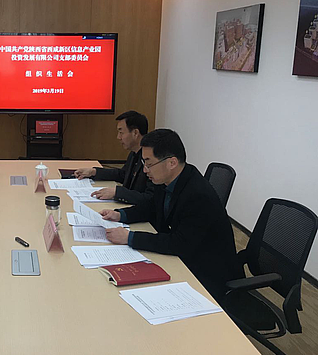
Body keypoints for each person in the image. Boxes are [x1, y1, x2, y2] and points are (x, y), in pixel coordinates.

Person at [99, 129, 242, 302]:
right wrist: (119, 215)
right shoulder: (168, 179)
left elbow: (179, 243)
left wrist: (130, 237)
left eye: (149, 164)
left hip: (207, 274)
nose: (145, 170)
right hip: (184, 257)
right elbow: (151, 207)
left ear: (171, 162)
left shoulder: (198, 195)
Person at [74, 110, 153, 205]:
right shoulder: (134, 153)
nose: (118, 137)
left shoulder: (151, 159)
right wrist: (94, 172)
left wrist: (117, 193)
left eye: (121, 132)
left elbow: (150, 198)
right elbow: (123, 175)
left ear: (135, 133)